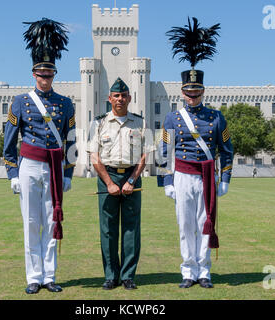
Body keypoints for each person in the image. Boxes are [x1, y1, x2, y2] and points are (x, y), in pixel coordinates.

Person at [3, 18, 76, 294]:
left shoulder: (65, 103)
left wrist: (68, 173)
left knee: (52, 220)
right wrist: (12, 173)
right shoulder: (20, 102)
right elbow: (9, 142)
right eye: (41, 74)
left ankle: (49, 276)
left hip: (55, 167)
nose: (46, 79)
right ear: (34, 74)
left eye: (50, 74)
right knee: (32, 222)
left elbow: (72, 141)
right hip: (30, 165)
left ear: (54, 75)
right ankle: (34, 277)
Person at [159, 17, 233, 289]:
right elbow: (164, 151)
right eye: (189, 92)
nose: (193, 96)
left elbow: (226, 149)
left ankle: (204, 271)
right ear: (182, 92)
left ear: (203, 91)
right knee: (184, 226)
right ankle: (187, 271)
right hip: (182, 175)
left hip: (207, 177)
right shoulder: (172, 118)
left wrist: (224, 179)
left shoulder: (216, 118)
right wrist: (166, 181)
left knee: (206, 222)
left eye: (197, 92)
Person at [87, 77, 152, 290]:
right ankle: (110, 275)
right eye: (116, 95)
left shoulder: (140, 122)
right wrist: (109, 183)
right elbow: (94, 157)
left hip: (132, 177)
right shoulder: (98, 122)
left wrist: (132, 179)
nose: (120, 99)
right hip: (108, 177)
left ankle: (128, 276)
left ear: (130, 98)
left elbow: (145, 155)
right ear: (109, 98)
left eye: (124, 96)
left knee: (131, 229)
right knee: (108, 229)